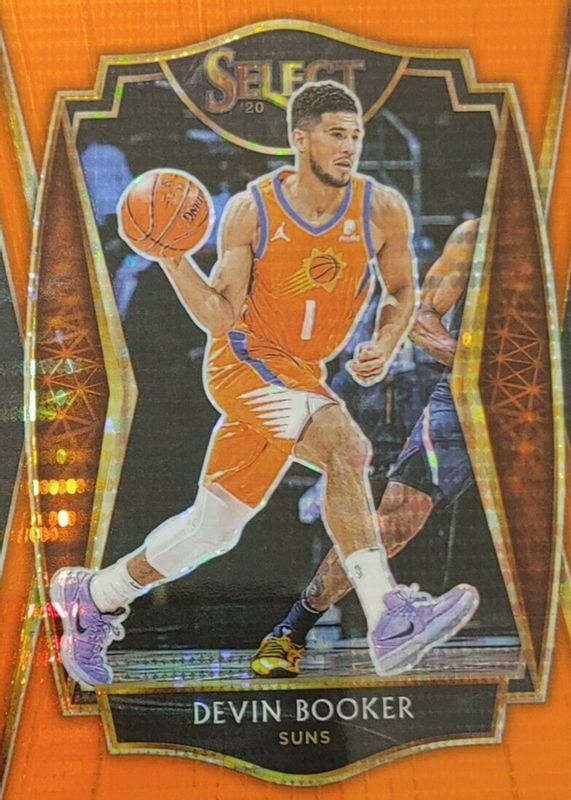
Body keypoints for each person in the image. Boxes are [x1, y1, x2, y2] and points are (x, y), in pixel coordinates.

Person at [50, 81, 477, 687]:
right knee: (346, 448)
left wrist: (385, 341)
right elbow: (222, 318)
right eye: (335, 134)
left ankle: (95, 596)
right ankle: (389, 615)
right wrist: (174, 260)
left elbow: (404, 290)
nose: (349, 146)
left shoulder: (382, 208)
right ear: (300, 139)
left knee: (213, 530)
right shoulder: (253, 210)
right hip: (245, 361)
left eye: (355, 135)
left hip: (302, 370)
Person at [251, 218, 480, 678]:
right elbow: (421, 317)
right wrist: (477, 362)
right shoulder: (479, 235)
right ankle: (292, 630)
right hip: (470, 391)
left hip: (550, 395)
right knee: (394, 519)